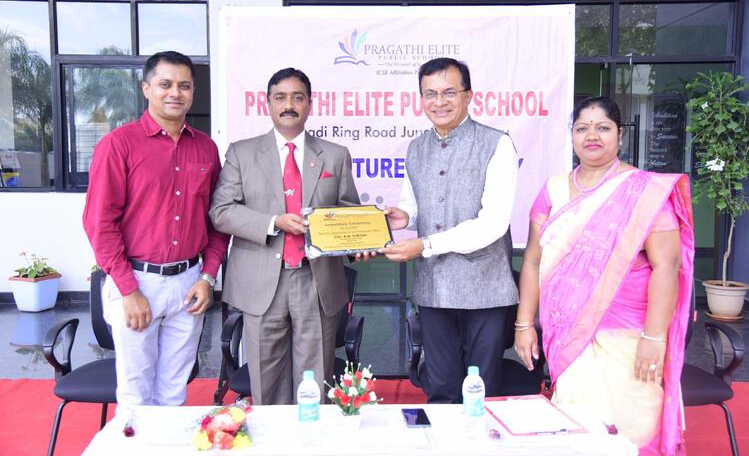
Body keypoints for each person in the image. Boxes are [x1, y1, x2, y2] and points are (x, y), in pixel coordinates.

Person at [514, 96, 694, 455]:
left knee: (631, 428)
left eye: (603, 127)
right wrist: (524, 324)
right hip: (568, 335)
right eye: (582, 128)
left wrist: (654, 337)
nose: (592, 136)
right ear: (572, 136)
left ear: (620, 135)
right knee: (576, 428)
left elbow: (667, 266)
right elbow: (533, 260)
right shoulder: (553, 189)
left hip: (628, 336)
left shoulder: (643, 192)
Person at [82, 51, 229, 409]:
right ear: (146, 88)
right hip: (136, 281)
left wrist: (207, 277)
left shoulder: (206, 149)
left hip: (189, 284)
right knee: (136, 394)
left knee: (174, 391)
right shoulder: (119, 144)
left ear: (193, 92)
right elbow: (99, 223)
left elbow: (218, 220)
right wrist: (128, 289)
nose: (175, 93)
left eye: (184, 86)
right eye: (165, 84)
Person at [209, 67, 360, 405]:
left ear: (310, 104)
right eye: (280, 97)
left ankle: (312, 434)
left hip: (316, 281)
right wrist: (273, 222)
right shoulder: (242, 153)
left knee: (314, 383)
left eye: (297, 97)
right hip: (261, 281)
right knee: (266, 381)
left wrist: (359, 243)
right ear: (268, 104)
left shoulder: (335, 155)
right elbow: (221, 211)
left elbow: (349, 213)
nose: (288, 105)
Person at [382, 57, 519, 403]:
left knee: (481, 390)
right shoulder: (416, 148)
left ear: (468, 96)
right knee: (440, 387)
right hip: (434, 287)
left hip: (485, 288)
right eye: (430, 94)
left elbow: (493, 224)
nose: (439, 102)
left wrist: (423, 245)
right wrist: (404, 217)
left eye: (449, 93)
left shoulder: (497, 144)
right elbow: (414, 204)